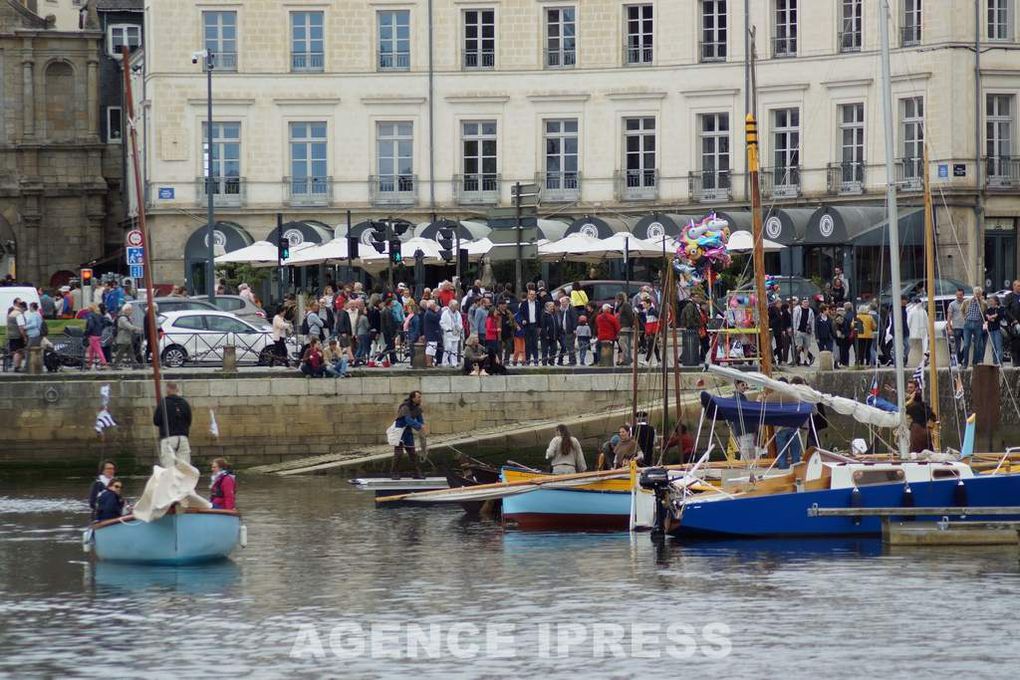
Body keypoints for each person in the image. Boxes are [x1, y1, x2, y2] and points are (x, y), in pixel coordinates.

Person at [154, 381, 192, 467]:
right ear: (177, 389)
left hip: (168, 438)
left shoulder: (163, 403)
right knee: (184, 469)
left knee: (169, 469)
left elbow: (156, 421)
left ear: (167, 389)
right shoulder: (184, 403)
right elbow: (189, 420)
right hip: (183, 438)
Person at [392, 391, 426, 479]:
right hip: (399, 430)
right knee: (399, 453)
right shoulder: (405, 407)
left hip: (407, 431)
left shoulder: (417, 408)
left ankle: (416, 473)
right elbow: (408, 419)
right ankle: (394, 473)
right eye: (418, 397)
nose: (420, 399)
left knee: (412, 453)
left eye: (420, 397)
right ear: (413, 398)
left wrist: (422, 427)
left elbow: (420, 420)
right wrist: (419, 426)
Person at [960, 287, 987, 368]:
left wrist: (982, 321)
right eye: (976, 293)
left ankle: (975, 362)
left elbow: (985, 312)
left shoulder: (983, 303)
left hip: (978, 324)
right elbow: (962, 310)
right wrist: (964, 317)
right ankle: (965, 363)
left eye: (979, 294)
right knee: (966, 344)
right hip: (968, 323)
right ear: (974, 293)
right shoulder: (967, 301)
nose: (978, 295)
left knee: (977, 344)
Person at [905, 379, 934, 453]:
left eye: (911, 387)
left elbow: (903, 409)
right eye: (908, 387)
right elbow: (932, 416)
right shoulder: (922, 404)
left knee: (915, 454)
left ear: (916, 389)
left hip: (917, 431)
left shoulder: (913, 404)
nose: (909, 389)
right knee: (927, 454)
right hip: (925, 432)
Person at [517, 288, 541, 366]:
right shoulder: (524, 304)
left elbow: (539, 315)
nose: (532, 296)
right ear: (528, 295)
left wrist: (539, 326)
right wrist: (523, 320)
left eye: (534, 295)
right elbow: (520, 314)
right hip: (527, 325)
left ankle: (536, 360)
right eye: (531, 294)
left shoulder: (537, 303)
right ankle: (527, 360)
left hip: (534, 325)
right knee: (527, 344)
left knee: (535, 344)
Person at [112, 302, 141, 367]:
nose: (131, 311)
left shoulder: (126, 318)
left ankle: (135, 365)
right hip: (123, 339)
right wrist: (137, 328)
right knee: (120, 353)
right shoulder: (122, 318)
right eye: (130, 310)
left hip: (127, 339)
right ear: (126, 310)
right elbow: (128, 326)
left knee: (131, 353)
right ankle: (115, 365)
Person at [84, 303, 108, 370]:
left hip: (93, 335)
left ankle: (104, 363)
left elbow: (90, 326)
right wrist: (100, 329)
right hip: (98, 334)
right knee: (91, 350)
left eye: (88, 308)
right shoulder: (99, 315)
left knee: (98, 350)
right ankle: (90, 363)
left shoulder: (90, 316)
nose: (87, 309)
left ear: (91, 309)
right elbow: (105, 323)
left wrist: (87, 332)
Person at [791, 299, 815, 366]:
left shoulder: (810, 311)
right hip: (799, 330)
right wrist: (795, 329)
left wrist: (812, 331)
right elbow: (794, 320)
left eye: (807, 302)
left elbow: (812, 321)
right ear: (802, 302)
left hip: (807, 331)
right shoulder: (797, 309)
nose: (806, 303)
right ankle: (797, 357)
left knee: (806, 347)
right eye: (804, 302)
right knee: (799, 346)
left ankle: (805, 360)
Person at [440, 300, 464, 367]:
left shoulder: (458, 313)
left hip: (456, 333)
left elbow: (460, 322)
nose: (455, 308)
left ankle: (454, 362)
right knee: (448, 348)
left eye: (456, 306)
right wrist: (447, 328)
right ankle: (444, 362)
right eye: (454, 306)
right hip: (448, 333)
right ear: (450, 306)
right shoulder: (445, 313)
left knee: (454, 349)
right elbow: (442, 323)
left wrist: (460, 328)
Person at [555, 296, 578, 366]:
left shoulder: (571, 309)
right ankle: (571, 360)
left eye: (564, 302)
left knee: (570, 346)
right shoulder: (563, 310)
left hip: (570, 330)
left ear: (568, 302)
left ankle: (572, 361)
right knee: (568, 346)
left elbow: (574, 319)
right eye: (561, 302)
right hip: (564, 331)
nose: (562, 303)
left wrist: (574, 329)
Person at [615, 292, 636, 366]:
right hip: (622, 326)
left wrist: (631, 324)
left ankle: (628, 357)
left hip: (626, 326)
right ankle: (625, 358)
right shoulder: (621, 306)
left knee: (622, 342)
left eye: (617, 299)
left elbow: (630, 315)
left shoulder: (626, 305)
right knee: (624, 343)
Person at [946, 288, 966, 366]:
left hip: (966, 327)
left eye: (960, 295)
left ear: (963, 295)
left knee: (968, 344)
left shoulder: (966, 303)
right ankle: (958, 361)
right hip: (956, 327)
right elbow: (949, 316)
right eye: (957, 295)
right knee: (957, 345)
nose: (959, 296)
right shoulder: (952, 304)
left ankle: (960, 358)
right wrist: (949, 327)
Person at [1003, 280, 1020, 368]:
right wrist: (1013, 319)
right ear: (1014, 286)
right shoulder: (1009, 296)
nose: (1019, 288)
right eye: (1018, 286)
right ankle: (1016, 362)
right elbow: (1006, 310)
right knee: (1015, 343)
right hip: (1014, 323)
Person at [985, 295, 1005, 365]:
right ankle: (994, 362)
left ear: (996, 301)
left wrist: (992, 317)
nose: (990, 302)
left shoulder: (1000, 308)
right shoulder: (989, 309)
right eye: (990, 301)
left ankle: (999, 362)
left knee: (998, 346)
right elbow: (987, 315)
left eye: (992, 301)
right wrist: (990, 317)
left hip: (997, 329)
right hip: (991, 330)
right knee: (993, 347)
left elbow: (999, 315)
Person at [422, 300, 442, 367]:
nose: (435, 306)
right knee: (430, 350)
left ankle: (431, 362)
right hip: (431, 334)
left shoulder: (430, 312)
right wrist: (439, 311)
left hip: (432, 334)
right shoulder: (429, 313)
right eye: (434, 305)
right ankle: (429, 363)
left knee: (432, 350)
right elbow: (437, 318)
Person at [540, 301, 558, 366]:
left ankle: (551, 361)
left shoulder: (553, 314)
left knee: (554, 349)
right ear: (547, 307)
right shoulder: (544, 315)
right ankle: (544, 362)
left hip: (553, 336)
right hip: (546, 336)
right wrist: (546, 335)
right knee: (545, 350)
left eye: (553, 306)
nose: (552, 308)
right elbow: (543, 326)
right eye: (551, 306)